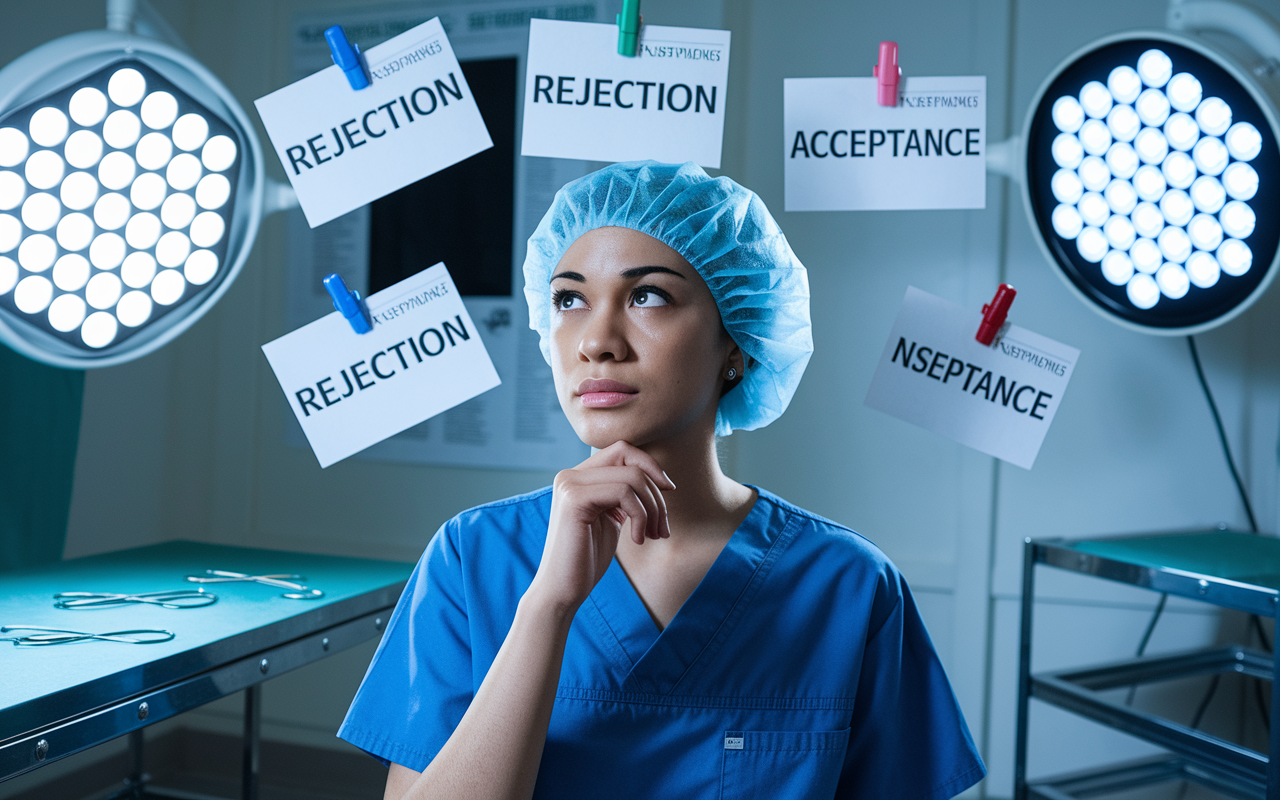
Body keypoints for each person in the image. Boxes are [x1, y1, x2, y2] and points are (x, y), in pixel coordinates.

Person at [338, 161, 985, 799]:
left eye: (647, 295)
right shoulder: (473, 558)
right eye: (569, 299)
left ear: (738, 343)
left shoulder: (847, 586)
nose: (596, 341)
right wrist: (549, 608)